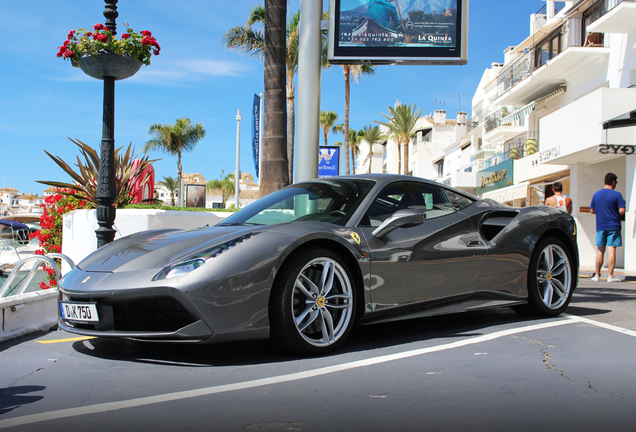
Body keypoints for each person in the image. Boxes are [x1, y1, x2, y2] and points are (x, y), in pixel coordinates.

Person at [590, 172, 626, 282]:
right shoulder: (617, 195)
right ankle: (610, 276)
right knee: (612, 250)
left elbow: (592, 210)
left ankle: (597, 275)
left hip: (600, 225)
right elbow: (622, 210)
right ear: (614, 182)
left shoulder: (596, 194)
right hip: (613, 225)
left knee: (600, 250)